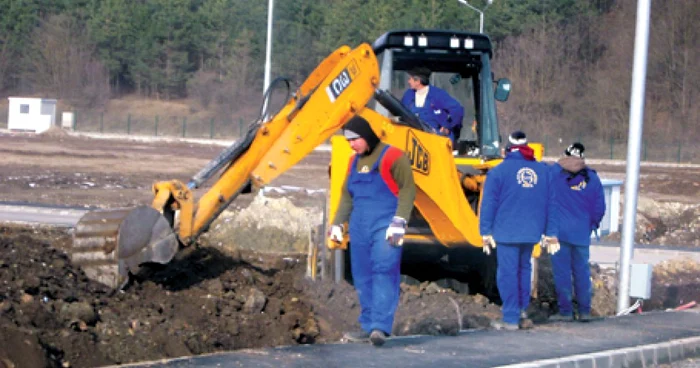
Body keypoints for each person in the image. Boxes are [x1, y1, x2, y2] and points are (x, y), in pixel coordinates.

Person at [327, 115, 416, 346]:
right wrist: (337, 223)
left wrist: (400, 221)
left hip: (385, 224)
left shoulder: (394, 156)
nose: (352, 145)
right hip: (359, 225)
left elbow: (407, 190)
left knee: (384, 269)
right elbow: (347, 196)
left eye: (355, 140)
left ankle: (380, 327)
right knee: (362, 274)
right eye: (349, 141)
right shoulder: (352, 162)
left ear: (366, 136)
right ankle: (367, 326)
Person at [479, 130, 559, 330]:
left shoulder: (498, 171)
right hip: (532, 231)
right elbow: (552, 204)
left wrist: (485, 231)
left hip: (507, 231)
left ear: (509, 147)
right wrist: (550, 233)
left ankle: (510, 317)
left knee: (507, 273)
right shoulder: (544, 171)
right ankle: (522, 311)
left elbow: (489, 203)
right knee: (524, 269)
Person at [549, 143, 606, 322]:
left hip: (559, 233)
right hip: (581, 233)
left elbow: (545, 200)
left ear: (565, 154)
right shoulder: (592, 178)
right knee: (582, 272)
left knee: (562, 273)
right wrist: (591, 224)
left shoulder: (554, 174)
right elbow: (599, 208)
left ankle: (565, 311)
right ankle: (584, 311)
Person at [401, 67, 464, 145]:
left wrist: (447, 127)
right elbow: (401, 112)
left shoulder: (438, 95)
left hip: (436, 141)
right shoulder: (408, 95)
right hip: (412, 140)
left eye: (410, 79)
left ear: (418, 81)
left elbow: (457, 109)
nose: (408, 81)